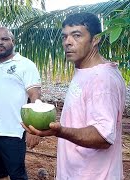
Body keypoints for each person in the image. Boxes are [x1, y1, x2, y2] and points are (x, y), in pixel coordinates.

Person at [22, 12, 126, 180]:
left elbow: (103, 136)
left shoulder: (102, 80)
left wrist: (60, 131)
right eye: (65, 37)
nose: (68, 42)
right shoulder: (86, 71)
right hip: (77, 172)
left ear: (96, 39)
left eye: (77, 35)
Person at [0, 27, 42, 180]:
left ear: (13, 41)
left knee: (17, 175)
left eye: (4, 39)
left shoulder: (25, 65)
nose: (0, 43)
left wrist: (34, 129)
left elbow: (35, 95)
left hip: (14, 131)